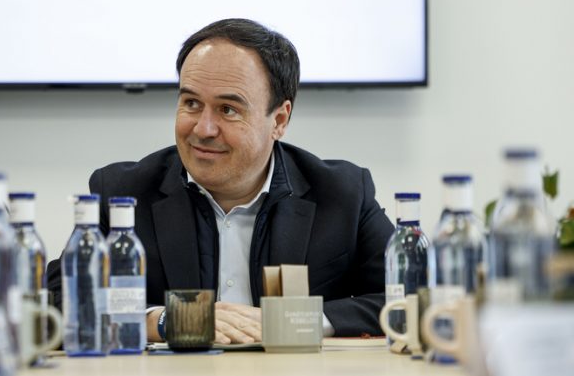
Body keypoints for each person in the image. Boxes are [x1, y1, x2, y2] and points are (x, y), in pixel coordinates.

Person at [48, 19, 394, 344]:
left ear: (279, 120)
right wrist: (166, 321)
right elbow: (56, 302)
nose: (203, 129)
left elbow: (410, 298)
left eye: (228, 109)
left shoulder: (342, 193)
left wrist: (295, 321)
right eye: (191, 103)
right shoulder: (124, 193)